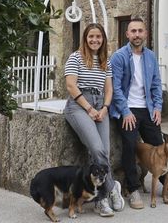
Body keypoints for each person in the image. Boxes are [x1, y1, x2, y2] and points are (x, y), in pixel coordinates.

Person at [110, 18, 168, 209]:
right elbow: (116, 88)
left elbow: (155, 84)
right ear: (127, 34)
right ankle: (134, 188)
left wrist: (157, 108)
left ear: (145, 34)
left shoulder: (150, 57)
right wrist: (126, 111)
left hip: (147, 108)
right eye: (133, 31)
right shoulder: (119, 56)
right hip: (127, 108)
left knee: (160, 146)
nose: (137, 34)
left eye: (140, 31)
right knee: (130, 146)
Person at [63, 23, 124, 217]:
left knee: (103, 152)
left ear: (103, 39)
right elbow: (71, 86)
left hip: (100, 107)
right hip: (79, 106)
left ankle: (103, 195)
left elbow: (109, 89)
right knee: (97, 149)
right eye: (91, 36)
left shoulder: (106, 61)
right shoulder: (75, 57)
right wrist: (89, 108)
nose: (95, 40)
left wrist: (105, 108)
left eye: (98, 37)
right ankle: (110, 190)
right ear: (85, 38)